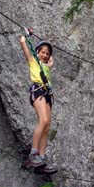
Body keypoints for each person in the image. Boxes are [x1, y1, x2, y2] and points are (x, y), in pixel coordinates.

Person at [19, 29, 56, 171]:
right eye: (43, 52)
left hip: (47, 94)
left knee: (47, 126)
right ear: (37, 52)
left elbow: (51, 61)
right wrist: (27, 34)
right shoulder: (33, 61)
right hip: (38, 90)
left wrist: (48, 48)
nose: (45, 55)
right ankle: (33, 153)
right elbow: (23, 42)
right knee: (44, 120)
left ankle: (41, 158)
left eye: (47, 54)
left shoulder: (46, 66)